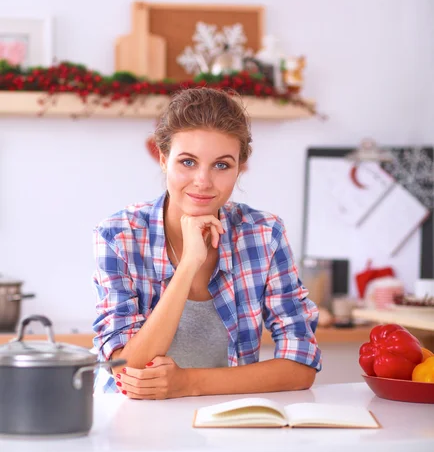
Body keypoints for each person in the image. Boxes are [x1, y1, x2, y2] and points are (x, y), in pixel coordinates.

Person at [92, 87, 321, 399]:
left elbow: (301, 365)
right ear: (163, 160)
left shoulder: (263, 234)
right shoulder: (120, 235)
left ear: (240, 167)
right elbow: (127, 370)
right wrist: (187, 266)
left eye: (222, 165)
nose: (203, 180)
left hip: (223, 423)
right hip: (132, 422)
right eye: (187, 162)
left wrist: (187, 383)